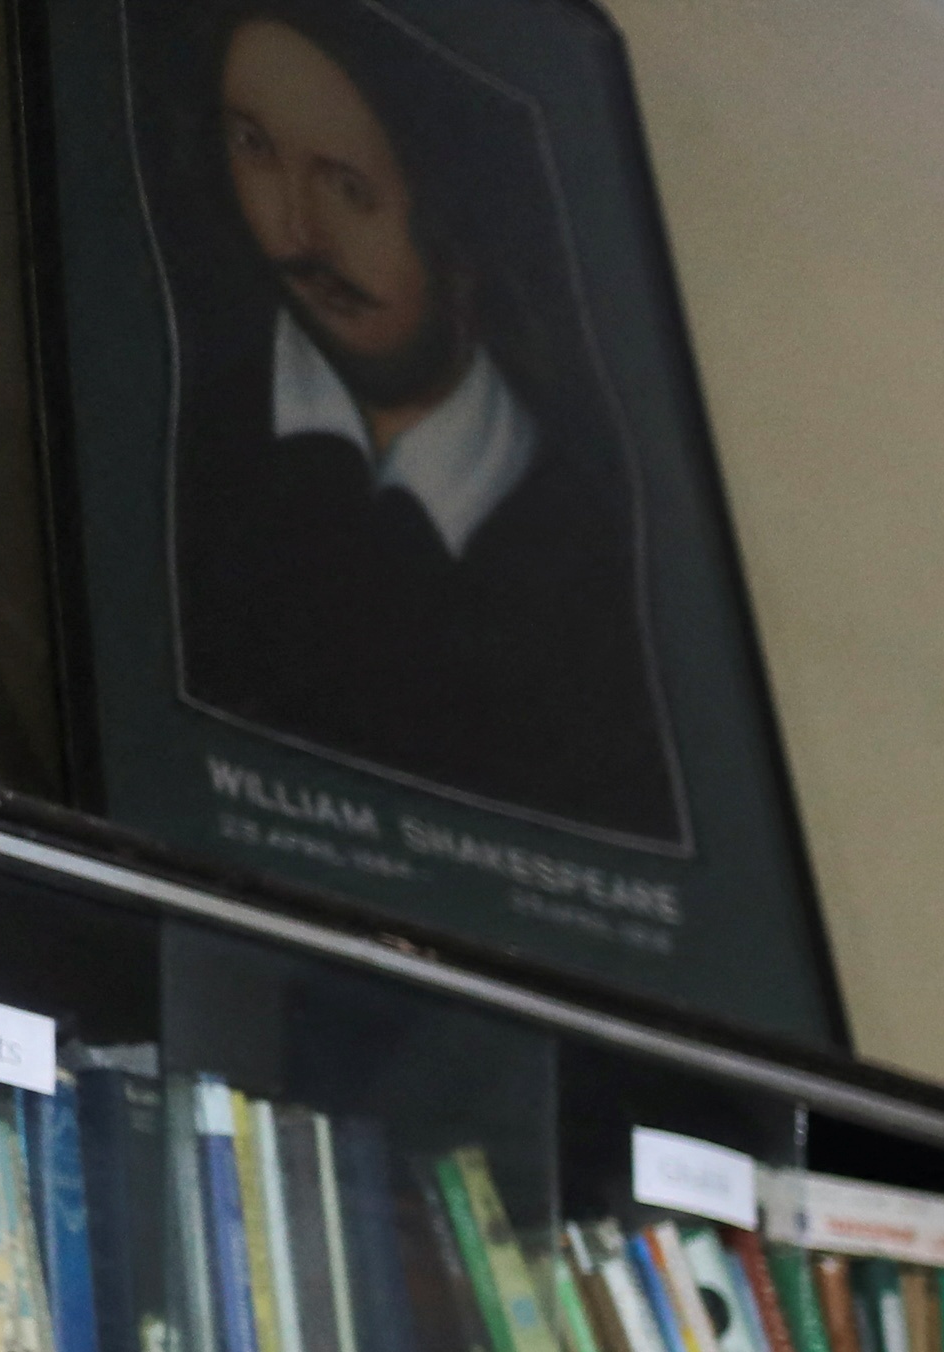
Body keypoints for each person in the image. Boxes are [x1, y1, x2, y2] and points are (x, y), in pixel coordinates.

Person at [168, 0, 683, 842]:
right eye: (253, 146)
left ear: (463, 220)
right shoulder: (187, 432)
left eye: (349, 188)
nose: (296, 233)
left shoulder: (589, 541)